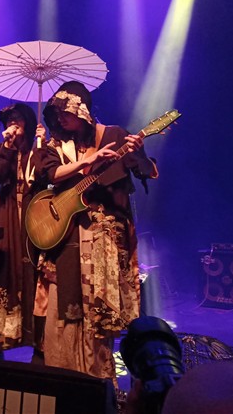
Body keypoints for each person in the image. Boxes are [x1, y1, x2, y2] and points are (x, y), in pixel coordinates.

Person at [33, 81, 158, 388]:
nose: (60, 119)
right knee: (64, 306)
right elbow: (49, 174)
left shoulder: (114, 136)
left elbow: (145, 170)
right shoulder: (56, 145)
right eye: (56, 114)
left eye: (65, 112)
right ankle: (63, 377)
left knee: (99, 309)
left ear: (82, 111)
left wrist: (138, 155)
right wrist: (87, 162)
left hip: (105, 239)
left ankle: (97, 381)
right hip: (67, 235)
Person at [0, 102, 46, 362]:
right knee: (4, 273)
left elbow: (44, 176)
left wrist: (41, 145)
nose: (13, 122)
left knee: (35, 276)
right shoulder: (4, 149)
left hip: (35, 218)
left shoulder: (39, 147)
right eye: (10, 119)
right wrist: (8, 146)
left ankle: (39, 344)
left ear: (28, 122)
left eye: (18, 118)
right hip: (8, 218)